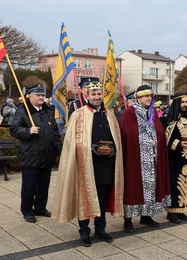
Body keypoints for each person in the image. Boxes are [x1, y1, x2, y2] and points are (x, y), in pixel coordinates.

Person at [52, 80, 123, 246]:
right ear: (87, 95)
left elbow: (117, 138)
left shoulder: (109, 114)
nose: (97, 97)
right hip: (86, 164)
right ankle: (84, 232)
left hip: (106, 165)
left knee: (103, 198)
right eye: (94, 94)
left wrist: (114, 150)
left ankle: (100, 229)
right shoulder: (79, 114)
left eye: (99, 94)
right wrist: (88, 148)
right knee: (84, 197)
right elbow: (72, 141)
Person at [120, 85, 171, 233]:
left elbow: (159, 131)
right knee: (132, 186)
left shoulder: (152, 113)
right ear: (138, 97)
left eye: (150, 96)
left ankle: (146, 215)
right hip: (135, 158)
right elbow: (128, 134)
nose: (149, 99)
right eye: (145, 96)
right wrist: (147, 142)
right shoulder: (130, 113)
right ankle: (128, 219)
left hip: (153, 158)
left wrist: (159, 141)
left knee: (151, 187)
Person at [10, 84, 61, 223]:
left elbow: (55, 132)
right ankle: (27, 210)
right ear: (29, 96)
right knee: (30, 185)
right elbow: (14, 129)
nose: (41, 97)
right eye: (38, 95)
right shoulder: (23, 111)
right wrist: (28, 131)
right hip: (31, 155)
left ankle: (40, 207)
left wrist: (58, 150)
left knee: (44, 184)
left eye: (42, 95)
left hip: (47, 155)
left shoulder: (48, 111)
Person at [163, 92, 187, 224]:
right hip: (174, 158)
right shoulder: (171, 119)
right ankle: (171, 211)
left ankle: (182, 209)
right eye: (182, 102)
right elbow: (166, 138)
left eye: (186, 102)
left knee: (186, 182)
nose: (185, 105)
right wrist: (179, 143)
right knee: (174, 183)